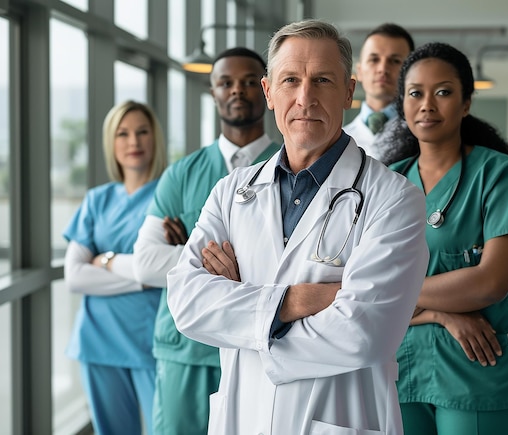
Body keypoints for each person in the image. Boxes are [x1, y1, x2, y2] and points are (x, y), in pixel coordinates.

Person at [166, 19, 429, 435]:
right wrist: (295, 300)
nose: (305, 98)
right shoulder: (233, 191)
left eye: (322, 80)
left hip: (341, 417)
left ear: (348, 91)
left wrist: (242, 311)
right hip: (242, 415)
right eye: (290, 80)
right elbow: (186, 302)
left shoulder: (395, 199)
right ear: (269, 92)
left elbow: (364, 332)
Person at [388, 42, 508, 435]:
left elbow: (490, 282)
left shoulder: (499, 176)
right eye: (416, 93)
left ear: (466, 103)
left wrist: (395, 291)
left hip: (477, 372)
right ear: (402, 104)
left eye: (443, 92)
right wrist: (442, 311)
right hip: (399, 370)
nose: (427, 104)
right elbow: (355, 285)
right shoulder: (388, 182)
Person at [132, 47, 280, 435]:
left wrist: (189, 255)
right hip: (187, 351)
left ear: (266, 90)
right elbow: (145, 263)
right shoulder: (182, 173)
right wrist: (236, 262)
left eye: (249, 82)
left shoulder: (290, 168)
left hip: (260, 344)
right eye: (226, 82)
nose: (237, 90)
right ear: (212, 91)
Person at [63, 100, 167, 435]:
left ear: (155, 138)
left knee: (162, 429)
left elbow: (168, 270)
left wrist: (106, 262)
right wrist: (143, 278)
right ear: (111, 142)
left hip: (152, 341)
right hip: (99, 340)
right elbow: (75, 275)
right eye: (123, 134)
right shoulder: (97, 200)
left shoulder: (169, 195)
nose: (133, 142)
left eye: (142, 132)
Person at [343, 23, 414, 163]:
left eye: (395, 61)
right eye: (374, 59)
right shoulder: (338, 140)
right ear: (360, 71)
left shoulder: (422, 135)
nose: (382, 68)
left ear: (411, 72)